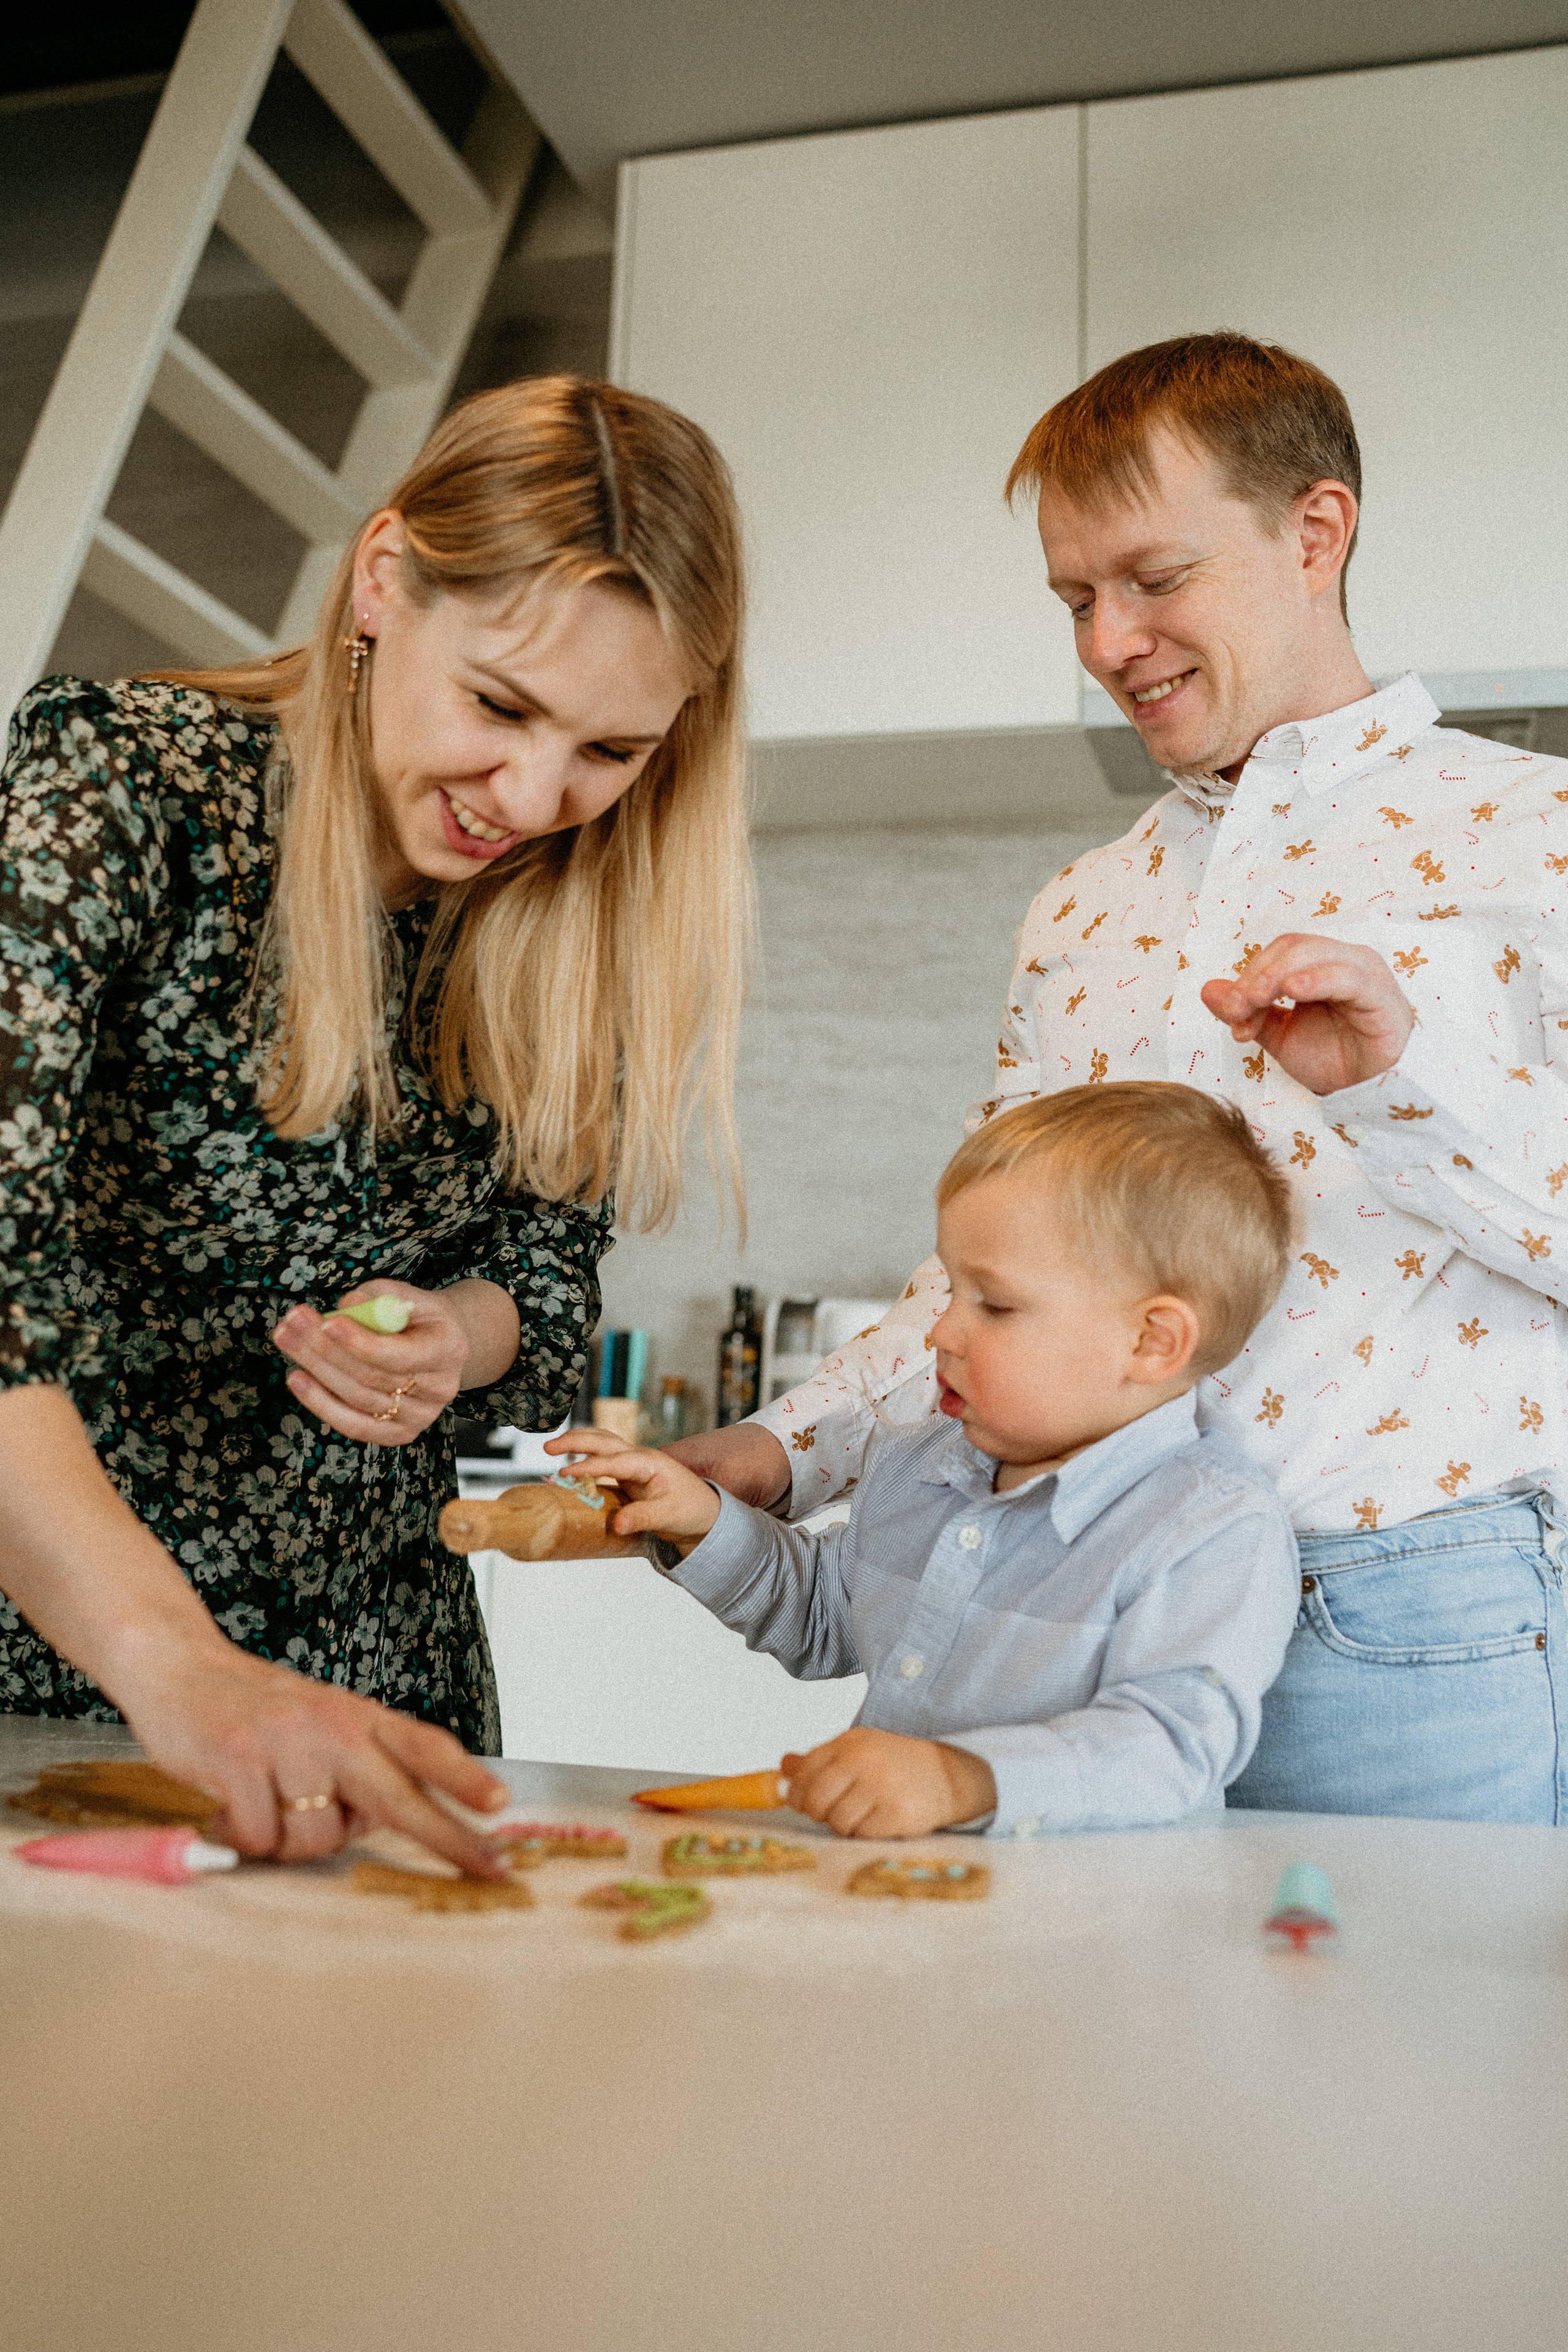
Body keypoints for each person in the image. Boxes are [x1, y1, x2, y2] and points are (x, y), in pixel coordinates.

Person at [673, 331, 1568, 1827]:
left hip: (1396, 1616)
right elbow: (994, 1272)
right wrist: (782, 1445)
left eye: (1151, 579)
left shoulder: (1533, 838)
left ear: (1313, 531)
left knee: (1395, 2059)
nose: (1103, 641)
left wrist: (1401, 1082)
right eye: (1072, 597)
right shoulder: (1081, 908)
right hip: (1071, 1593)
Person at [0, 375, 748, 1871]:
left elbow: (540, 1294)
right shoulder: (126, 790)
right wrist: (189, 1674)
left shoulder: (577, 915)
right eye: (499, 704)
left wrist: (446, 1344)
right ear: (383, 581)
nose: (532, 795)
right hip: (77, 1673)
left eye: (606, 752)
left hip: (393, 1688)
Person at [561, 1084, 1298, 1838]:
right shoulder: (920, 1467)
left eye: (995, 1305)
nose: (941, 1332)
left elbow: (1170, 1749)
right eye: (950, 1292)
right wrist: (702, 1521)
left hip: (1094, 1931)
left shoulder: (1212, 1525)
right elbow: (822, 1616)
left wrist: (965, 1780)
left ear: (1151, 1342)